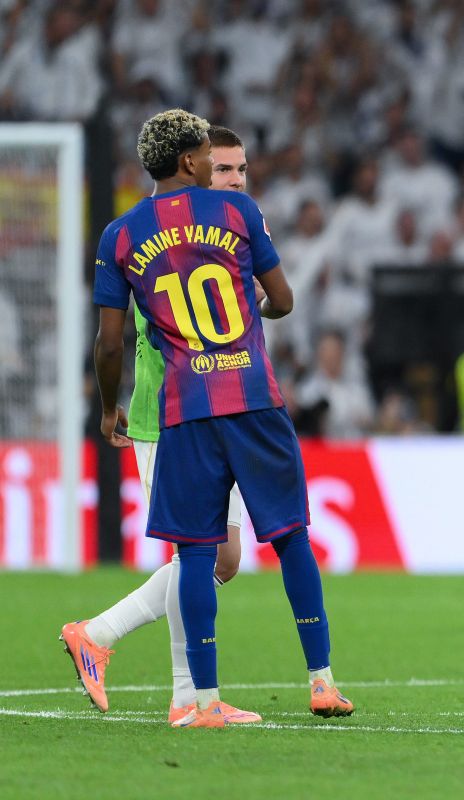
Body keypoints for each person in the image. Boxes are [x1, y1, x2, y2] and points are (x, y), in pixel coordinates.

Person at [87, 109, 353, 728]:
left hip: (184, 411)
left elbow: (107, 344)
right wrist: (245, 317)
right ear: (189, 162)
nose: (216, 164)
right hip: (253, 399)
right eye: (210, 155)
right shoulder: (238, 214)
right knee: (290, 538)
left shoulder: (120, 236)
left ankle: (202, 702)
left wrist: (106, 406)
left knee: (199, 554)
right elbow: (282, 300)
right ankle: (322, 682)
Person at [60, 126, 266, 725]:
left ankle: (176, 688)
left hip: (222, 407)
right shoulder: (158, 235)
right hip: (170, 412)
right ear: (192, 165)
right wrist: (109, 405)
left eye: (239, 170)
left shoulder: (229, 227)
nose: (230, 178)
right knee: (198, 554)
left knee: (219, 559)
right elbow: (114, 338)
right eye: (219, 166)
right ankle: (158, 677)